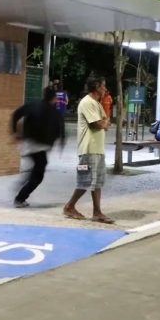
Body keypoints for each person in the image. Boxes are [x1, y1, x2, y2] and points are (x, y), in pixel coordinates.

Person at [63, 78, 114, 224]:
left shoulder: (97, 103)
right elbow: (98, 124)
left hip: (98, 148)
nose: (105, 88)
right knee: (85, 180)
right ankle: (69, 206)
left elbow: (106, 122)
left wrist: (104, 123)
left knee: (97, 182)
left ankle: (97, 213)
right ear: (97, 87)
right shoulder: (87, 102)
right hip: (87, 149)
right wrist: (103, 123)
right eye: (103, 86)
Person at [11, 87, 66, 207]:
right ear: (54, 98)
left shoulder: (33, 104)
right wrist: (61, 143)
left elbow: (16, 114)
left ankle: (23, 183)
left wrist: (15, 132)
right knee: (38, 176)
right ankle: (20, 199)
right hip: (40, 147)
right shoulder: (55, 112)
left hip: (27, 144)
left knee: (36, 168)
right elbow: (61, 130)